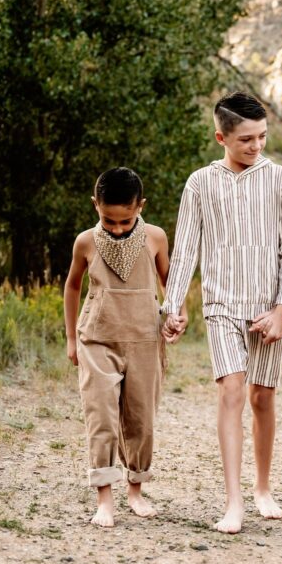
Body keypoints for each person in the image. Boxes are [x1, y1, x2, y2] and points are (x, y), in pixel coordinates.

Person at [161, 91, 282, 534]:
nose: (256, 146)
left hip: (268, 308)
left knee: (262, 397)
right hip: (221, 304)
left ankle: (262, 488)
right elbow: (184, 249)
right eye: (246, 139)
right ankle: (234, 501)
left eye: (262, 137)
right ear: (221, 137)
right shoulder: (200, 183)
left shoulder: (281, 180)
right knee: (231, 391)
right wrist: (174, 304)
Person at [63, 167, 173, 527]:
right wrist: (70, 338)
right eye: (109, 220)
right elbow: (72, 287)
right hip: (98, 341)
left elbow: (169, 282)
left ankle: (135, 490)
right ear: (96, 205)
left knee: (140, 420)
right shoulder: (86, 242)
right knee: (102, 418)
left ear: (141, 206)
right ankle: (104, 499)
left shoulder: (155, 237)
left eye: (126, 221)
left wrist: (177, 314)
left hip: (144, 340)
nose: (118, 228)